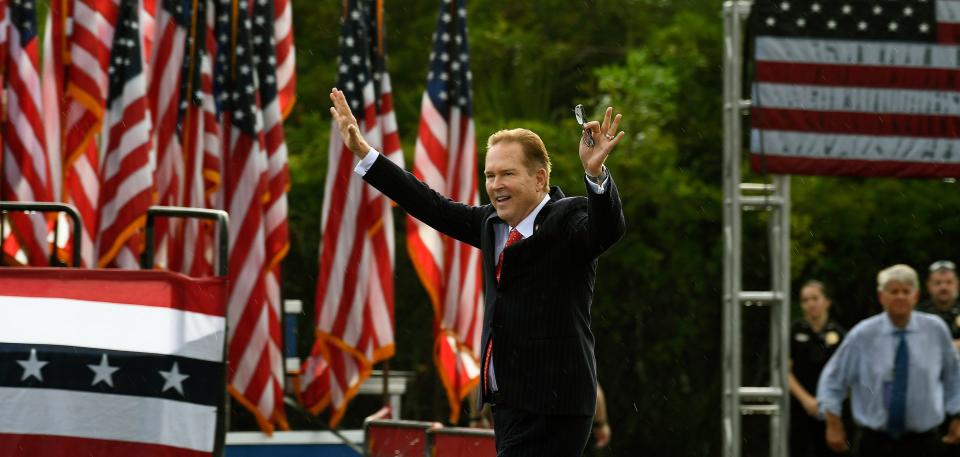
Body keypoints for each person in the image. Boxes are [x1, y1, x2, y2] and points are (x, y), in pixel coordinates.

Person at [329, 87, 626, 456]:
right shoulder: (489, 223)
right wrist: (364, 153)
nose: (495, 185)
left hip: (556, 406)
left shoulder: (567, 219)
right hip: (507, 405)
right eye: (490, 175)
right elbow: (429, 204)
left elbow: (607, 231)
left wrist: (595, 174)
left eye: (507, 174)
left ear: (539, 178)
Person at [817, 264, 960, 456]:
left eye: (905, 291)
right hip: (875, 442)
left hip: (924, 442)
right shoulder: (863, 334)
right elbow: (833, 379)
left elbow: (954, 376)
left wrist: (958, 415)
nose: (900, 296)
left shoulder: (935, 330)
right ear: (881, 297)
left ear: (915, 296)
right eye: (893, 291)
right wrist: (833, 422)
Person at [787, 280, 845, 457]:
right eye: (805, 300)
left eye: (815, 298)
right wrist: (806, 400)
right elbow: (784, 370)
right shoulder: (793, 331)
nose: (810, 304)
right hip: (800, 407)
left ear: (827, 302)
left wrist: (826, 402)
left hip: (831, 411)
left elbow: (845, 375)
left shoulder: (839, 334)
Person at [919, 260, 960, 351]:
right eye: (938, 283)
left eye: (949, 282)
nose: (943, 287)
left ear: (957, 284)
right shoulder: (919, 313)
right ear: (928, 286)